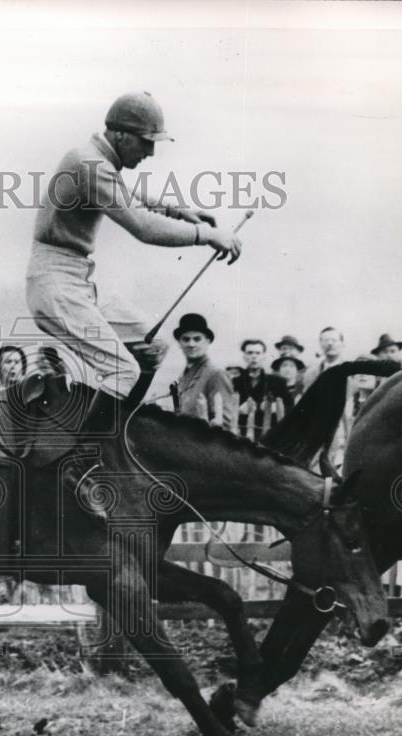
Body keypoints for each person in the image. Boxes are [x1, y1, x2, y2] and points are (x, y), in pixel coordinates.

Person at [26, 91, 243, 510]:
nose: (149, 151)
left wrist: (183, 213)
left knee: (152, 347)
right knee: (124, 370)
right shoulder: (88, 163)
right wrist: (207, 235)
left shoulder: (96, 161)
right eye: (146, 141)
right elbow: (141, 226)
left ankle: (114, 444)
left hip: (75, 281)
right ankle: (79, 467)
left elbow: (132, 199)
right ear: (121, 134)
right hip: (55, 284)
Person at [170, 313, 234, 429]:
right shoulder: (185, 375)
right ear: (179, 342)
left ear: (207, 341)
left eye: (197, 339)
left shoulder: (216, 373)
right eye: (186, 339)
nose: (191, 344)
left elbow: (224, 426)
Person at [233, 340, 292, 438]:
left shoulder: (277, 381)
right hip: (241, 435)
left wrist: (276, 407)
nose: (254, 356)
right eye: (250, 353)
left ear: (263, 356)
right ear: (244, 356)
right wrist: (238, 410)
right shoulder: (235, 382)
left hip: (269, 436)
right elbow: (224, 408)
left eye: (258, 353)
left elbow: (290, 407)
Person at [302, 326, 345, 391]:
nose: (330, 343)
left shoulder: (351, 375)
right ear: (320, 344)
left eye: (334, 340)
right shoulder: (309, 374)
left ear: (342, 344)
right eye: (326, 340)